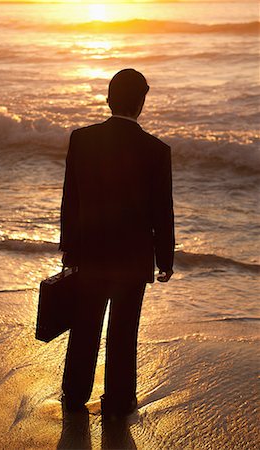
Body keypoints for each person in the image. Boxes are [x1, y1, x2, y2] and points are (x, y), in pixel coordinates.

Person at [60, 68, 175, 418]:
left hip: (90, 252)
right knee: (124, 332)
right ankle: (118, 399)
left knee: (85, 326)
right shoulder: (156, 150)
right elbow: (161, 210)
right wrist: (164, 258)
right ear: (142, 102)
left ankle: (75, 392)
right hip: (133, 257)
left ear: (109, 99)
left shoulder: (82, 139)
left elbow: (71, 200)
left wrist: (69, 248)